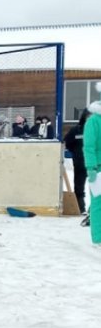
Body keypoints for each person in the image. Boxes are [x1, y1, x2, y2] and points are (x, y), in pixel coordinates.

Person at [64, 109, 90, 217]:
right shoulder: (76, 130)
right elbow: (68, 142)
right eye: (89, 116)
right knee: (79, 186)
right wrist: (76, 152)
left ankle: (94, 210)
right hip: (80, 162)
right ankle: (81, 208)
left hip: (97, 163)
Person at [84, 99, 101, 246]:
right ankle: (98, 238)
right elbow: (89, 146)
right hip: (98, 169)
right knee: (98, 204)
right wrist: (91, 167)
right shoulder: (93, 121)